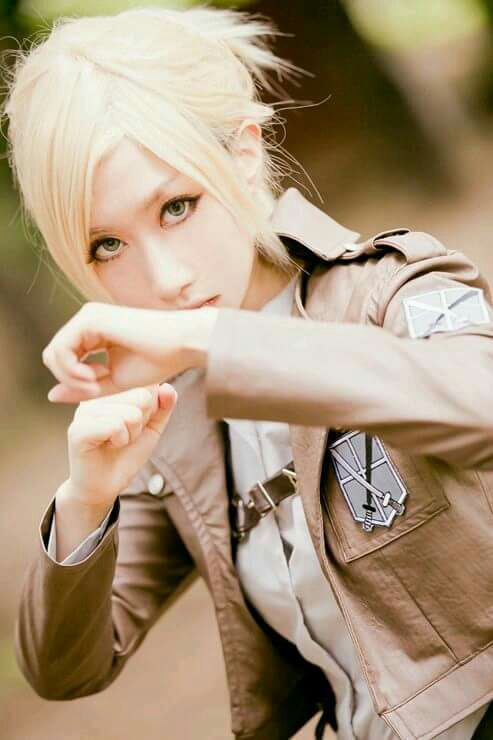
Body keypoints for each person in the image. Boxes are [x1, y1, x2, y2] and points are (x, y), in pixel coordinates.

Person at [4, 6, 493, 739]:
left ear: (243, 152)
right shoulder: (169, 414)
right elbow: (65, 668)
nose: (164, 278)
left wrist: (213, 340)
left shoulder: (387, 289)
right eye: (107, 245)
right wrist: (86, 496)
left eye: (176, 206)